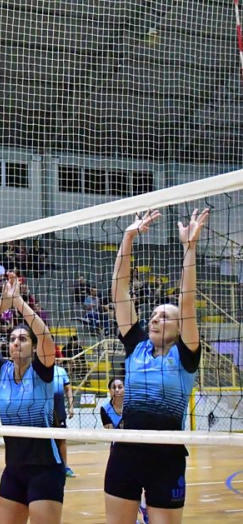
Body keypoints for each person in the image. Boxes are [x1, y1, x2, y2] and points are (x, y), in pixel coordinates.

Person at [104, 209, 208, 524]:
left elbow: (187, 301)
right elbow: (119, 291)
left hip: (168, 455)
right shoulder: (136, 345)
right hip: (126, 452)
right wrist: (129, 237)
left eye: (165, 316)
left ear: (180, 328)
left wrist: (189, 247)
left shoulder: (186, 353)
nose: (154, 318)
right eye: (153, 314)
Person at [0, 273, 62, 523]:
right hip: (13, 469)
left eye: (23, 338)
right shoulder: (1, 370)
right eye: (13, 339)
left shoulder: (42, 368)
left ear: (33, 345)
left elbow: (47, 337)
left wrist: (19, 303)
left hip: (45, 469)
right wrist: (1, 307)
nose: (16, 342)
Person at [100, 378, 149, 524]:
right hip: (118, 450)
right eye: (113, 387)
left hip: (138, 448)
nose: (117, 390)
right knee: (121, 486)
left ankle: (144, 507)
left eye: (120, 387)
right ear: (109, 391)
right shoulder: (105, 409)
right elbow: (111, 433)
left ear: (125, 389)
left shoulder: (133, 406)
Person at [53, 365, 75, 478]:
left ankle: (65, 467)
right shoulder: (37, 370)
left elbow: (68, 388)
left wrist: (71, 406)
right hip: (43, 409)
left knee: (61, 439)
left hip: (59, 409)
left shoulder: (60, 371)